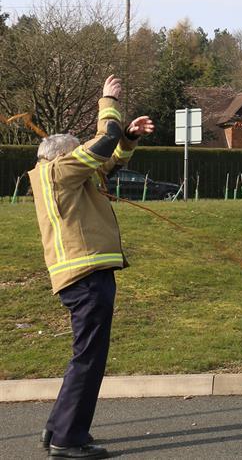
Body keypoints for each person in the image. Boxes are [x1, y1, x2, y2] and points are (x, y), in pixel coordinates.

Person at [28, 75, 154, 459]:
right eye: (77, 153)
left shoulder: (62, 177)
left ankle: (57, 429)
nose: (83, 156)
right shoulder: (59, 172)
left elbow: (109, 162)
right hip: (85, 278)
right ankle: (68, 440)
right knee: (89, 358)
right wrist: (108, 102)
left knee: (83, 355)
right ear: (63, 156)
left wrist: (129, 138)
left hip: (82, 277)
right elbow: (103, 142)